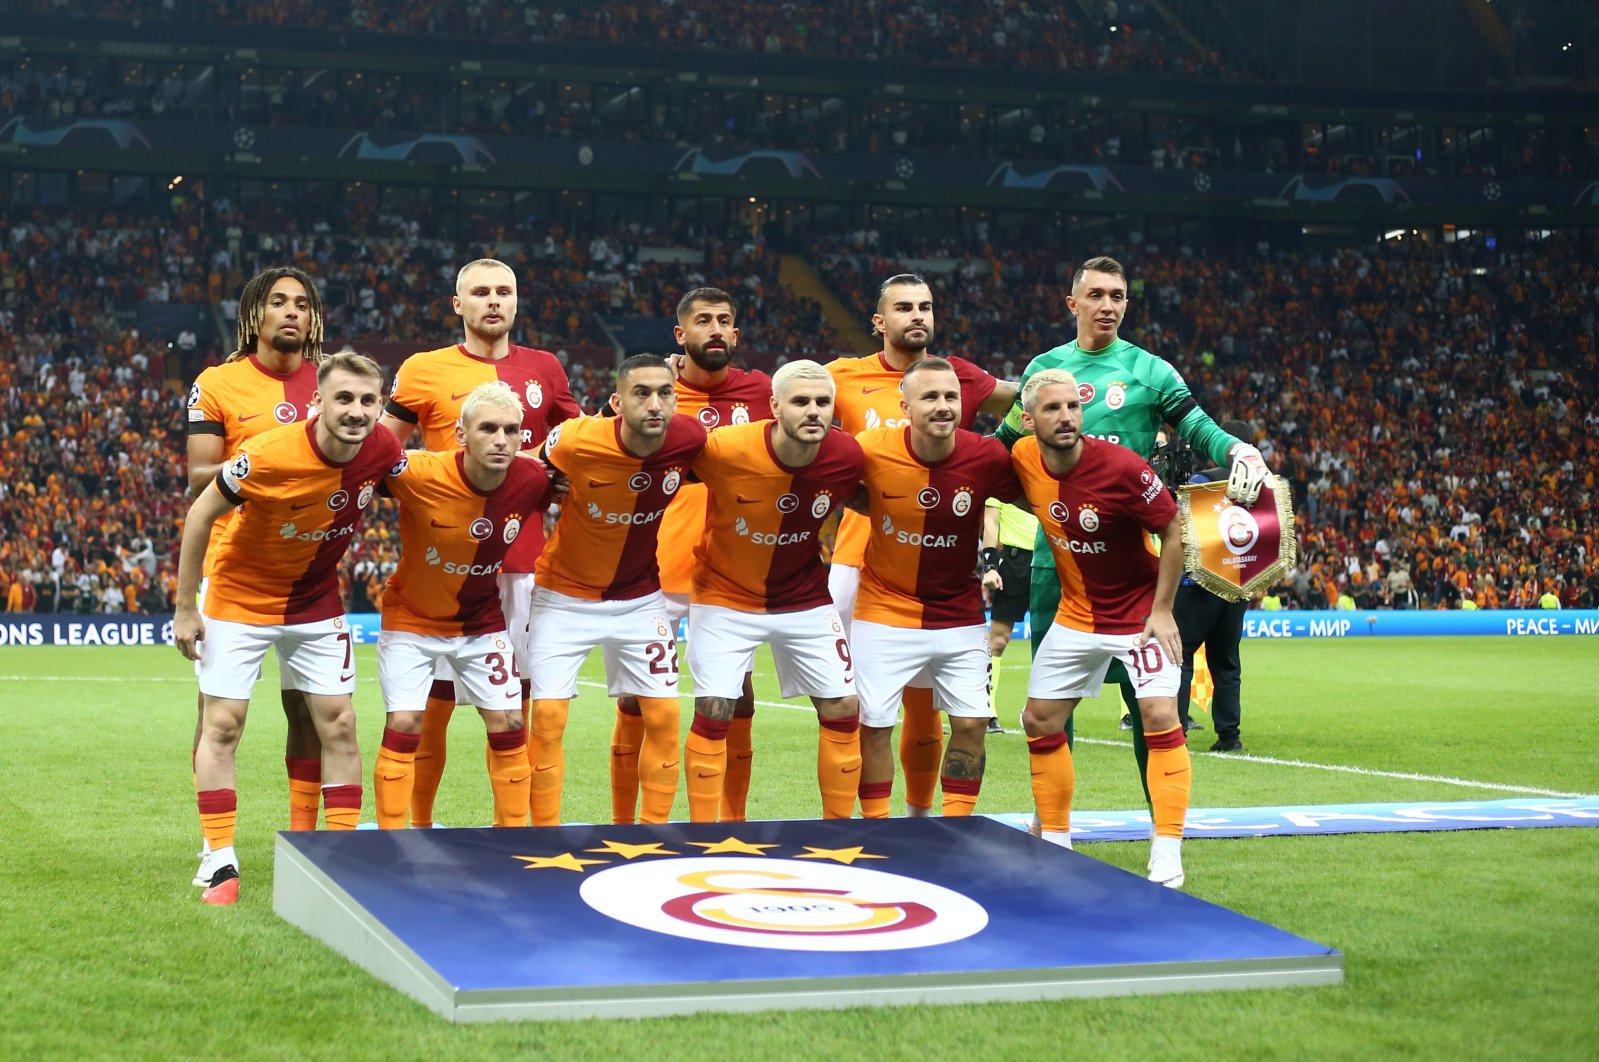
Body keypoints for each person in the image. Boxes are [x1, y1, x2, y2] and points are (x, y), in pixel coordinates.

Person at [995, 256, 1270, 791]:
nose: (1108, 305)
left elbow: (1197, 426)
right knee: (1051, 709)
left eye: (1117, 296)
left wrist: (1239, 449)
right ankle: (1053, 823)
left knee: (1153, 706)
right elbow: (1000, 449)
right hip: (1057, 561)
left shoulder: (1151, 371)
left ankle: (1161, 826)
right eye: (1096, 295)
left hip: (1132, 568)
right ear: (1073, 303)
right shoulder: (1044, 371)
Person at [173, 352, 402, 905]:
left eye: (368, 400)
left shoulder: (384, 449)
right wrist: (186, 606)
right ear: (317, 402)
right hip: (238, 598)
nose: (356, 411)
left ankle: (341, 857)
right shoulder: (266, 454)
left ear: (379, 407)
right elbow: (200, 514)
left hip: (316, 603)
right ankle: (220, 859)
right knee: (223, 725)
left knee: (340, 724)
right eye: (343, 398)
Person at [378, 258, 582, 827]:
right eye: (480, 292)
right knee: (431, 709)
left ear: (517, 302)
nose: (493, 301)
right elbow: (381, 456)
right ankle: (416, 827)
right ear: (457, 304)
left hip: (522, 565)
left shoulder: (546, 369)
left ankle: (517, 833)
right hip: (440, 565)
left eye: (504, 291)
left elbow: (577, 448)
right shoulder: (423, 369)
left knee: (517, 708)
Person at [828, 274, 1019, 816]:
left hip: (945, 567)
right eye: (904, 307)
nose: (917, 315)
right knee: (851, 708)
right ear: (878, 320)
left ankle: (922, 819)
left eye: (926, 307)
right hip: (857, 562)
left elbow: (1027, 401)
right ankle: (849, 821)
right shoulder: (841, 376)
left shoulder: (964, 377)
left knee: (928, 709)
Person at [1009, 369, 1191, 888]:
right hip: (1075, 614)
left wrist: (1162, 610)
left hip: (1137, 613)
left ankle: (1167, 847)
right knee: (1039, 719)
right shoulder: (1022, 459)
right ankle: (1058, 843)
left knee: (1159, 714)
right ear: (1029, 420)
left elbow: (1173, 529)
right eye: (1052, 409)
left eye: (1072, 406)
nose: (1066, 417)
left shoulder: (1123, 468)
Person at [184, 266, 325, 883]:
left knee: (311, 712)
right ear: (255, 315)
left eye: (301, 303)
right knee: (218, 715)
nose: (290, 312)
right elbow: (198, 476)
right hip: (234, 568)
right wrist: (281, 455)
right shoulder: (219, 382)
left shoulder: (332, 382)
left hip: (311, 572)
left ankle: (304, 842)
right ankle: (213, 850)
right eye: (278, 302)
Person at [524, 354, 707, 826]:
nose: (655, 403)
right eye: (641, 393)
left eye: (665, 393)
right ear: (615, 402)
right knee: (546, 721)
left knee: (665, 719)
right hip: (562, 597)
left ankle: (653, 834)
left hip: (640, 599)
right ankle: (542, 834)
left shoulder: (690, 439)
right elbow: (534, 469)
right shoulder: (576, 440)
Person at [682, 359, 864, 821]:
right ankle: (711, 829)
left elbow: (880, 495)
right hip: (723, 593)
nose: (813, 411)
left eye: (823, 402)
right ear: (774, 407)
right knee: (716, 708)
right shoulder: (724, 448)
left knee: (844, 705)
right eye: (801, 401)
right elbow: (661, 465)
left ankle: (837, 832)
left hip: (802, 596)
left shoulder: (846, 456)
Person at [617, 287, 773, 824]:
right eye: (702, 321)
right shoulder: (651, 390)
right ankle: (626, 824)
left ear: (735, 334)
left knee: (738, 697)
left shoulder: (761, 393)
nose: (715, 329)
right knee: (637, 700)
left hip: (730, 573)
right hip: (652, 568)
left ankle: (731, 823)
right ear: (680, 335)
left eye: (724, 320)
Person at [374, 382, 555, 829]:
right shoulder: (416, 472)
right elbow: (359, 467)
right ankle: (391, 842)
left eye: (511, 431)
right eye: (488, 428)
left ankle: (513, 839)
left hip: (481, 622)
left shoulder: (532, 480)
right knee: (406, 722)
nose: (500, 440)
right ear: (460, 433)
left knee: (510, 721)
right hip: (411, 622)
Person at [1173, 419, 1253, 753]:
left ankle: (1175, 732)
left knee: (1181, 657)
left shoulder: (1203, 481)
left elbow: (1183, 528)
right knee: (1226, 661)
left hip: (1198, 584)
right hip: (1237, 583)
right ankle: (1229, 735)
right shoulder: (1261, 485)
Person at [979, 498, 1038, 734]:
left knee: (1052, 639)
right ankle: (987, 710)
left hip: (1050, 560)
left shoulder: (1044, 473)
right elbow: (991, 522)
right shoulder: (1001, 479)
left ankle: (1047, 710)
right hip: (1014, 563)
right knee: (999, 640)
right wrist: (990, 566)